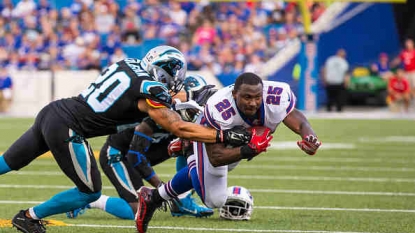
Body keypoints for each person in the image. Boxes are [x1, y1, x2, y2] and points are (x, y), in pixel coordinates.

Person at [0, 45, 251, 233]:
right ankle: (29, 217)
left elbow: (139, 96)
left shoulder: (129, 63)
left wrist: (176, 103)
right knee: (89, 192)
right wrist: (222, 134)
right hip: (68, 127)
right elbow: (179, 127)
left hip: (53, 112)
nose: (175, 82)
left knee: (7, 163)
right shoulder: (150, 89)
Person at [135, 72, 322, 233]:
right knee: (214, 200)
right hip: (214, 136)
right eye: (247, 97)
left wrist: (310, 137)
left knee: (214, 166)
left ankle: (152, 197)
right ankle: (192, 145)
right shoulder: (220, 107)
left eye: (257, 97)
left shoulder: (276, 95)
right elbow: (217, 158)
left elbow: (298, 120)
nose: (253, 102)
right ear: (234, 95)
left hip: (237, 139)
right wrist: (249, 149)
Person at [66, 75, 217, 220]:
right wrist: (161, 189)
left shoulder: (183, 115)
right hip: (119, 155)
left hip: (141, 153)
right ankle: (90, 201)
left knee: (192, 142)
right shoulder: (158, 111)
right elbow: (135, 156)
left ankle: (183, 200)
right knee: (136, 209)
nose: (197, 109)